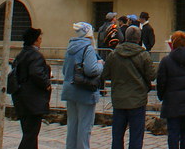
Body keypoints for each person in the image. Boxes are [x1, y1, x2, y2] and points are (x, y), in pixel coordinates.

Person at [103, 25, 158, 149]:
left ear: (125, 37)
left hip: (119, 100)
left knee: (117, 136)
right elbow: (151, 75)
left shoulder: (114, 54)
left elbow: (105, 74)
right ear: (139, 39)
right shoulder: (143, 55)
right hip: (137, 100)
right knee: (136, 136)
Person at [61, 21, 104, 149]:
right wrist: (100, 64)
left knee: (72, 126)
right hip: (84, 92)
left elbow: (64, 70)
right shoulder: (88, 48)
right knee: (84, 128)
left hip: (70, 91)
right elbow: (91, 70)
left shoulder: (70, 47)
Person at [11, 27, 51, 149]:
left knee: (29, 132)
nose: (41, 41)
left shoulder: (22, 54)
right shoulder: (35, 55)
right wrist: (46, 84)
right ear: (34, 41)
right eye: (39, 39)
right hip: (32, 99)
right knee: (31, 134)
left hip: (21, 96)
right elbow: (35, 73)